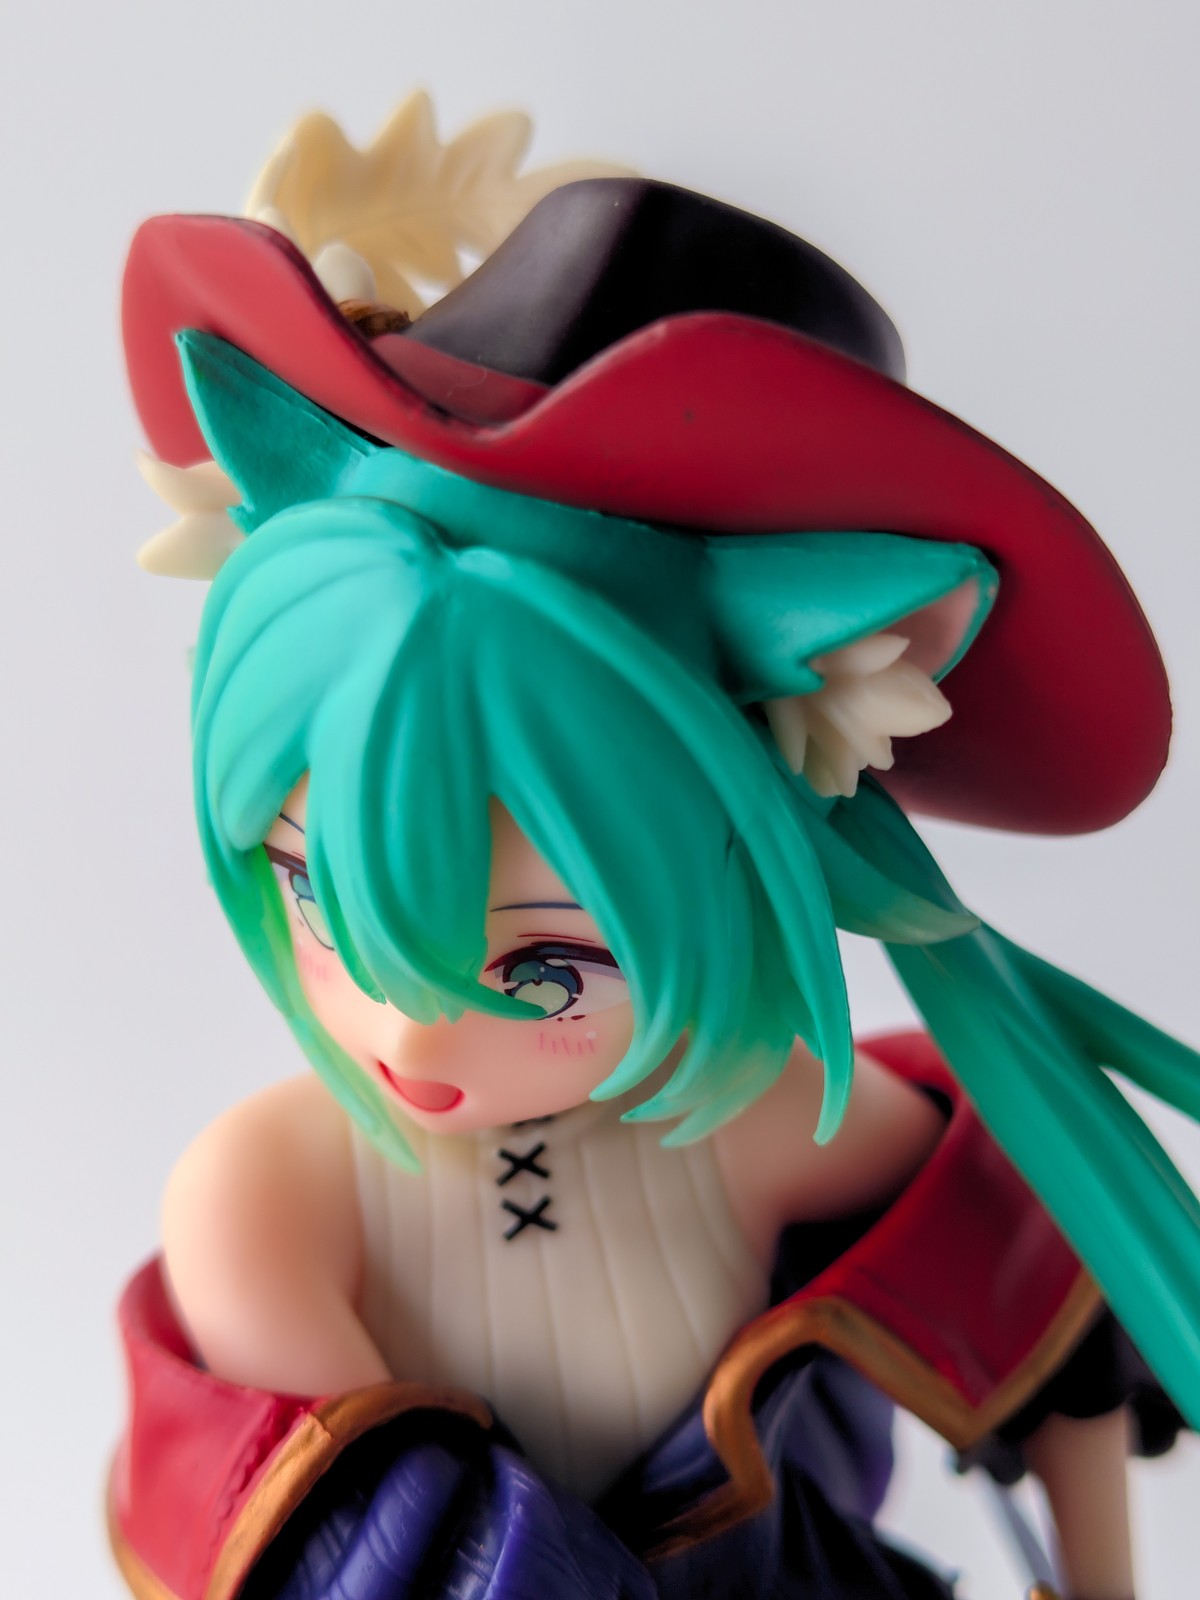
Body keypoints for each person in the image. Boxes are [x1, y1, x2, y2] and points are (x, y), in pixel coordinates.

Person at [109, 101, 1199, 1600]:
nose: (410, 1032)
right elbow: (363, 1552)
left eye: (549, 966)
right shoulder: (272, 1192)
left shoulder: (748, 1125)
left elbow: (1038, 1259)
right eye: (320, 894)